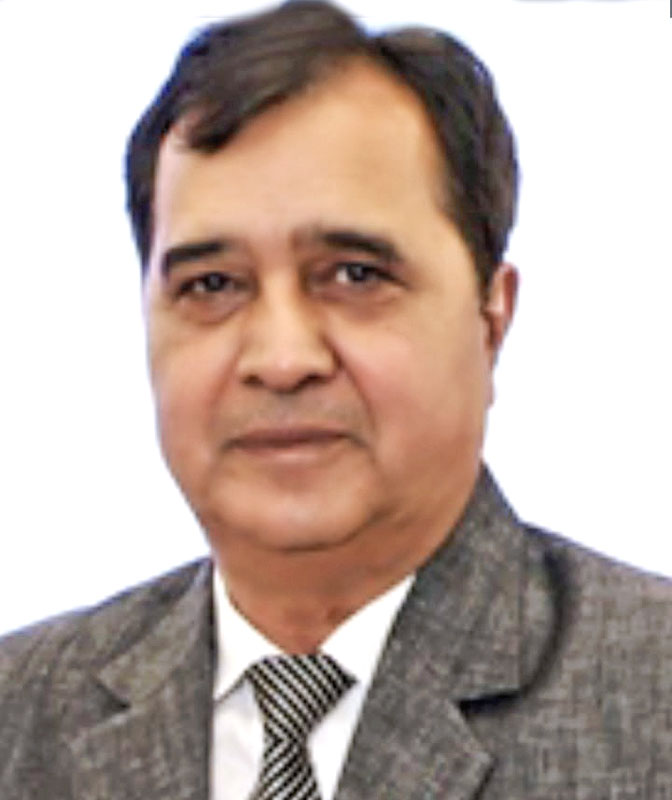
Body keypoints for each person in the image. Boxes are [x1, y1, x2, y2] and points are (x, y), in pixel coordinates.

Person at [1, 1, 672, 797]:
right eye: (212, 285)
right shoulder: (22, 711)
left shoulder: (648, 696)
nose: (282, 360)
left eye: (355, 275)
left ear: (492, 318)